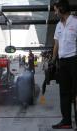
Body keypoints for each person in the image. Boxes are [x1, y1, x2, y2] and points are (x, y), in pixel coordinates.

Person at [52, 0, 77, 129]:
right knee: (64, 93)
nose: (55, 13)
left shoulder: (76, 22)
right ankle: (66, 121)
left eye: (56, 10)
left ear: (61, 9)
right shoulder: (58, 26)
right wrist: (53, 61)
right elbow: (56, 45)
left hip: (74, 60)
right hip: (63, 62)